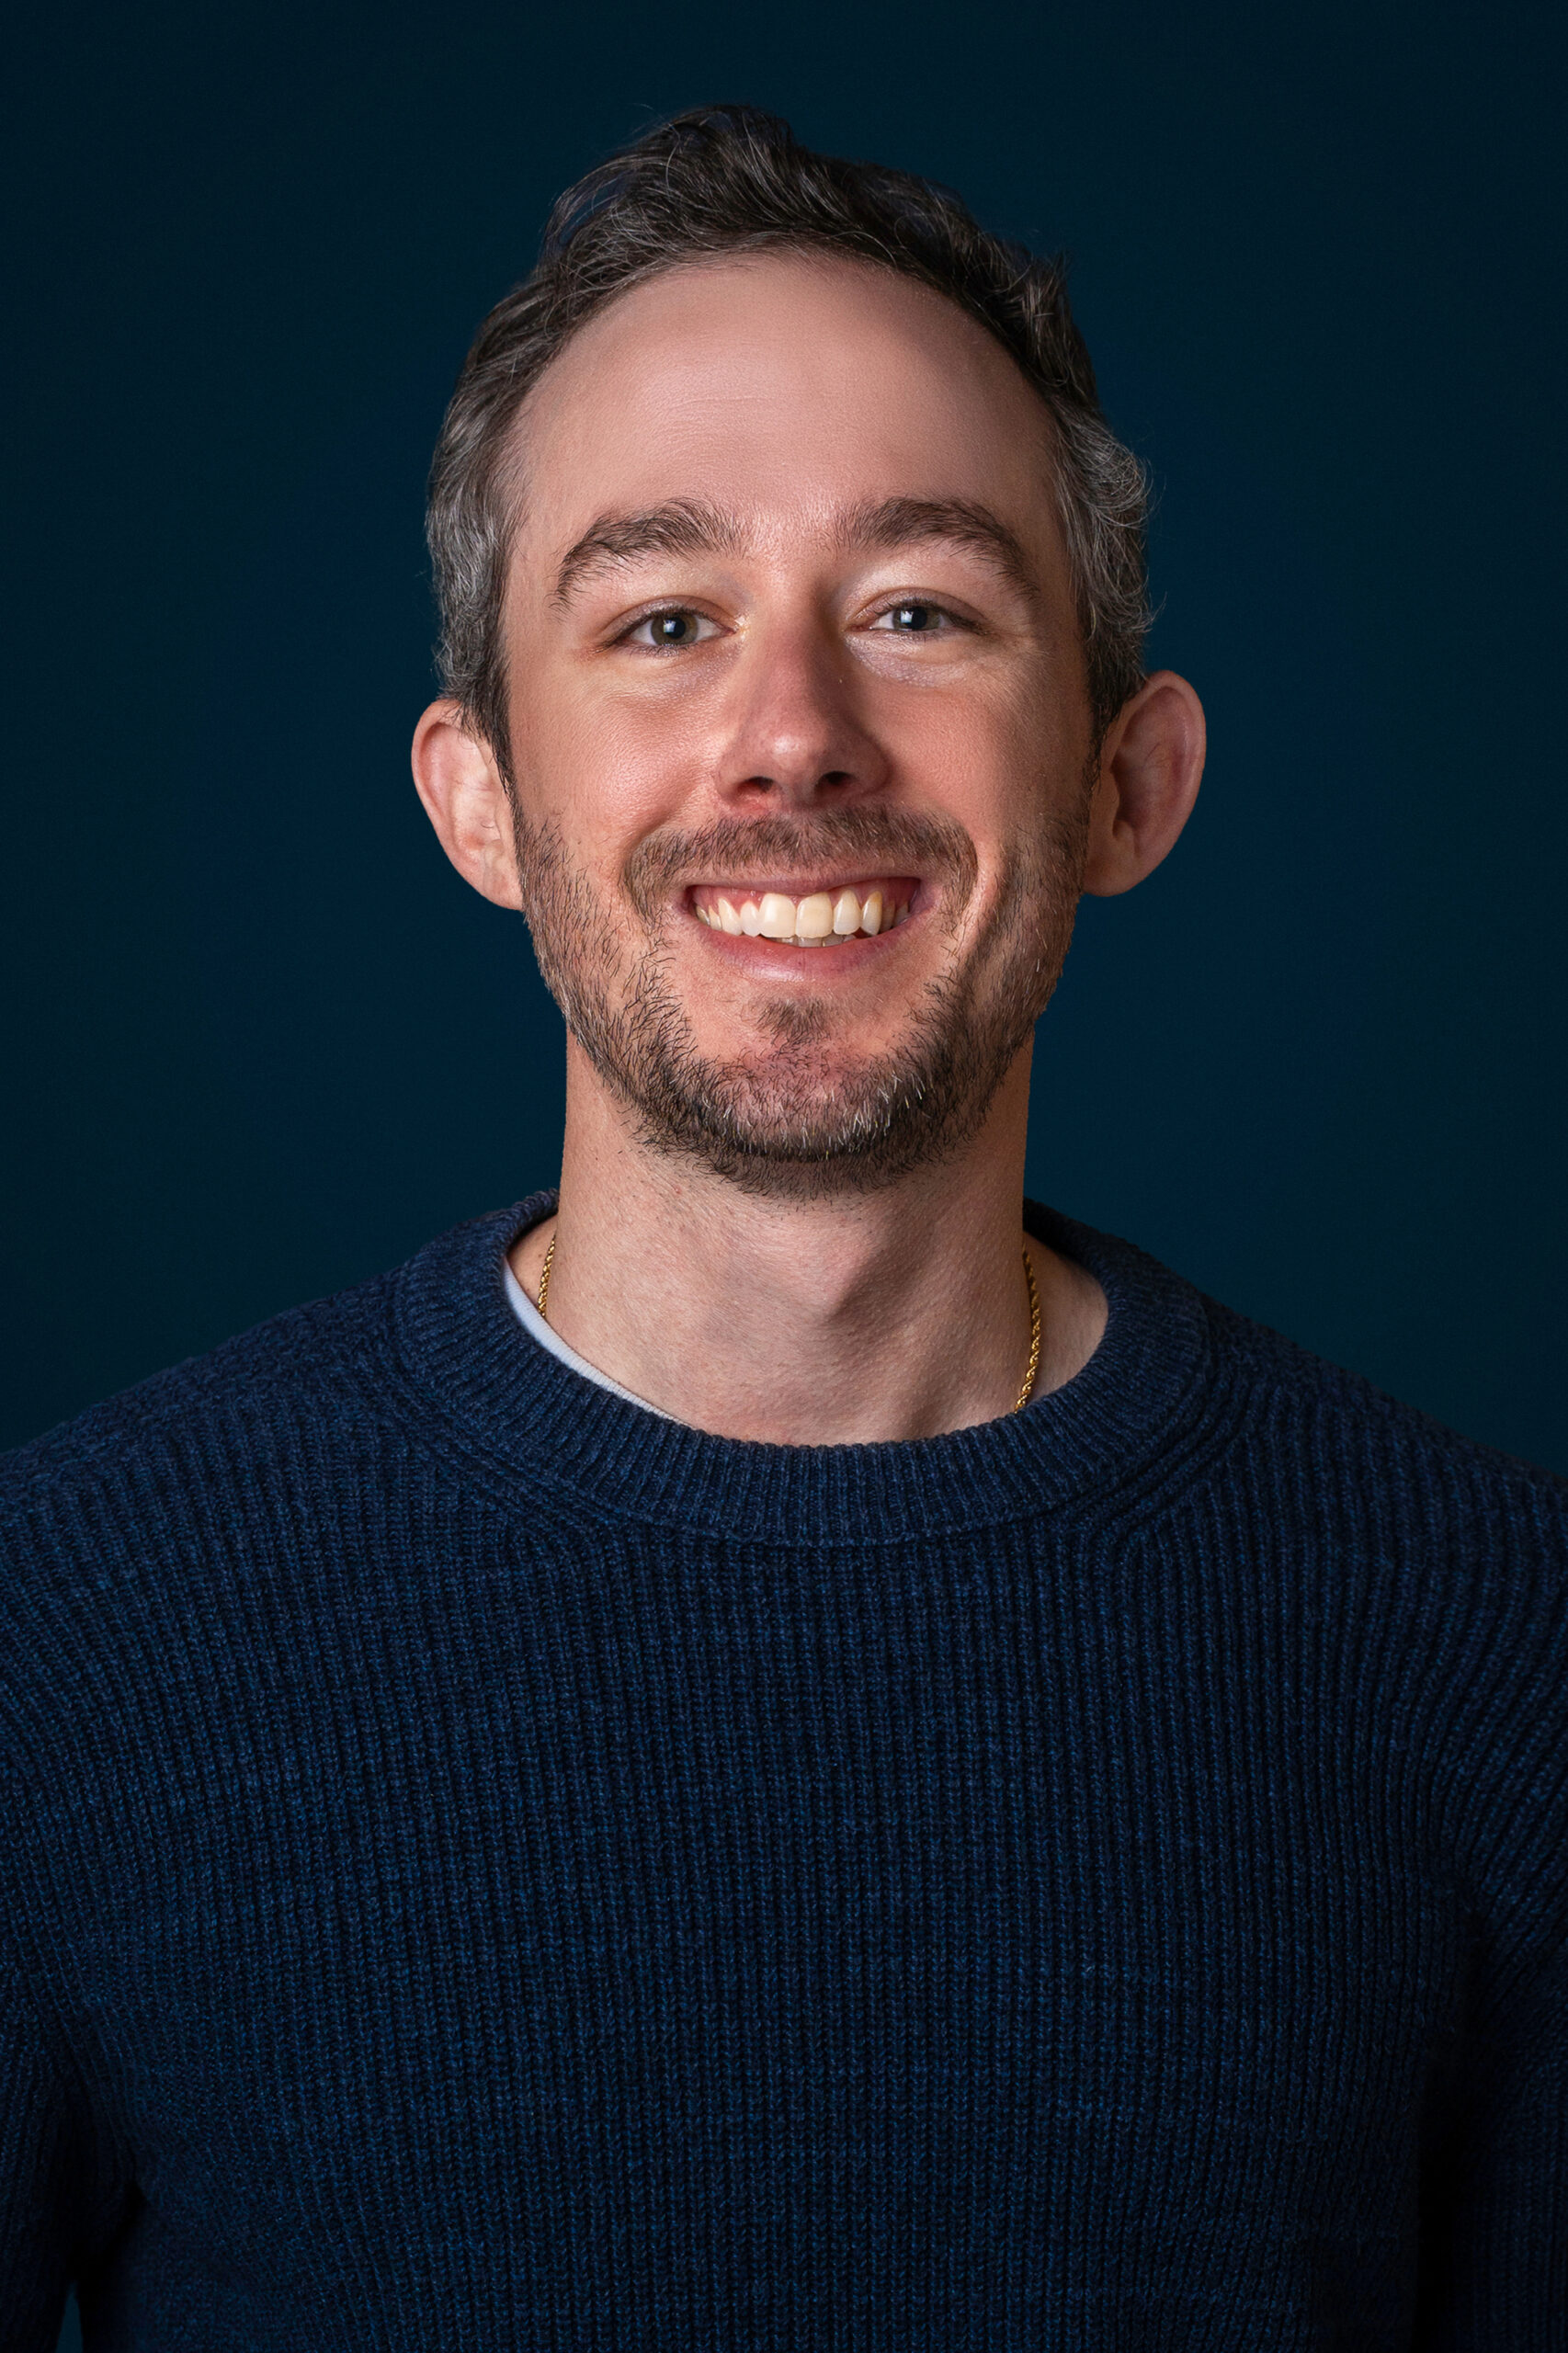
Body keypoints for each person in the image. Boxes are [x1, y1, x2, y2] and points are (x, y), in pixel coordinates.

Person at [2, 103, 1563, 2350]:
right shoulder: (63, 1632)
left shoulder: (1503, 1656)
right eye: (659, 617)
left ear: (1126, 781)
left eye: (916, 607)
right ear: (479, 799)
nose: (789, 737)